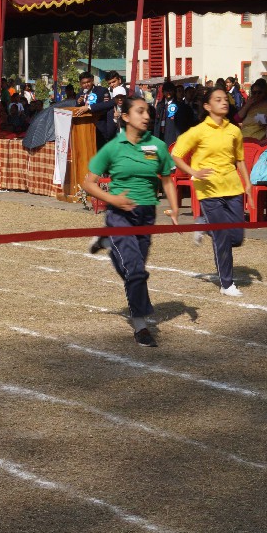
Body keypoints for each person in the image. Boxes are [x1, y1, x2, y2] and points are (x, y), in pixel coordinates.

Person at [83, 95, 180, 347]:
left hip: (146, 214)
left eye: (148, 112)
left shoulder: (157, 146)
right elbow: (88, 182)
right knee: (135, 269)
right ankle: (141, 325)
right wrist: (113, 200)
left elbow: (168, 179)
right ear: (125, 117)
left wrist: (175, 209)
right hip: (120, 215)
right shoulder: (113, 147)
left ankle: (106, 240)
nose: (147, 116)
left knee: (133, 266)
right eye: (140, 112)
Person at [171, 87, 254, 297]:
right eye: (218, 100)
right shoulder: (198, 131)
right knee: (222, 236)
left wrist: (248, 184)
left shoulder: (234, 130)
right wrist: (193, 172)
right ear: (207, 106)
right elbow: (177, 154)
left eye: (225, 99)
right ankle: (227, 284)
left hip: (233, 186)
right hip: (208, 189)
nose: (224, 102)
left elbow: (240, 159)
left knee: (236, 238)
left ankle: (203, 224)